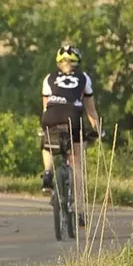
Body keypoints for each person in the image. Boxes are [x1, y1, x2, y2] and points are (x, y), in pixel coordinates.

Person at [40, 45, 101, 226]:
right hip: (72, 118)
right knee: (77, 165)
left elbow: (45, 105)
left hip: (50, 116)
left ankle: (48, 171)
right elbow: (90, 109)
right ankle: (80, 211)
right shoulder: (84, 78)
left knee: (47, 141)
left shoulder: (48, 78)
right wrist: (97, 129)